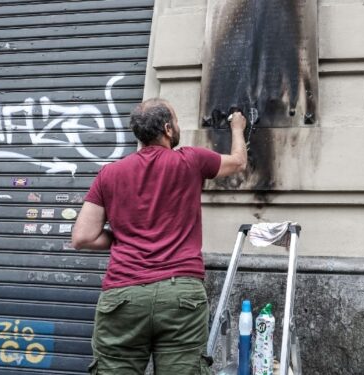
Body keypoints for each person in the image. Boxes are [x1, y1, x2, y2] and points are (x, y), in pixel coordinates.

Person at [71, 98, 247, 375]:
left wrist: (124, 237)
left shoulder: (110, 173)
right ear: (167, 129)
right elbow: (237, 163)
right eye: (176, 122)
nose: (177, 127)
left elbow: (82, 237)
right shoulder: (191, 160)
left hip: (123, 294)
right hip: (180, 295)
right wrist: (238, 127)